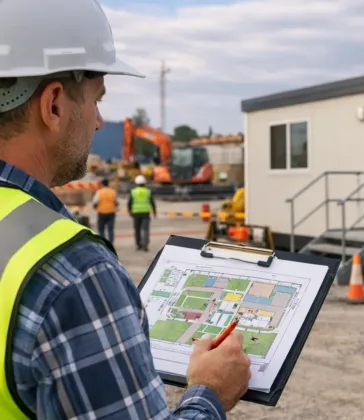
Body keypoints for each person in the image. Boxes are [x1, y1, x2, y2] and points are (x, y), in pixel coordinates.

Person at [0, 1, 251, 419]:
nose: (99, 121)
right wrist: (209, 393)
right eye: (97, 100)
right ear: (54, 105)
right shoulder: (73, 274)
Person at [128, 174, 157, 251]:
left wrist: (129, 211)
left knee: (137, 230)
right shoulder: (148, 191)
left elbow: (129, 202)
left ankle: (138, 245)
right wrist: (154, 212)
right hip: (145, 213)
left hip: (136, 213)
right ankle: (145, 245)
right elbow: (152, 202)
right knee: (145, 229)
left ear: (136, 182)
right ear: (144, 182)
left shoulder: (133, 191)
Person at [92, 178, 118, 243]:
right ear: (108, 184)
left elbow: (95, 202)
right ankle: (111, 243)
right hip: (111, 212)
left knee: (101, 229)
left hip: (101, 213)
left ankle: (103, 243)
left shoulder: (99, 192)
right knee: (110, 229)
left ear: (102, 184)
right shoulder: (113, 192)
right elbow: (116, 202)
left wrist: (96, 207)